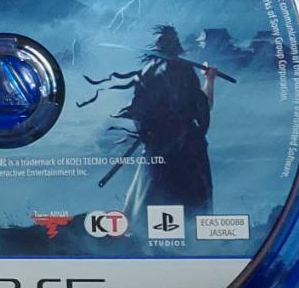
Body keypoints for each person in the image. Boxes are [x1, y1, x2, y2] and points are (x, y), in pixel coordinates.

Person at [86, 25, 217, 214]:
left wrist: (149, 135)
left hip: (163, 147)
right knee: (187, 204)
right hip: (184, 150)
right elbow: (203, 108)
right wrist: (209, 80)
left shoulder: (148, 72)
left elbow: (139, 113)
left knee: (149, 200)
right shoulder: (182, 70)